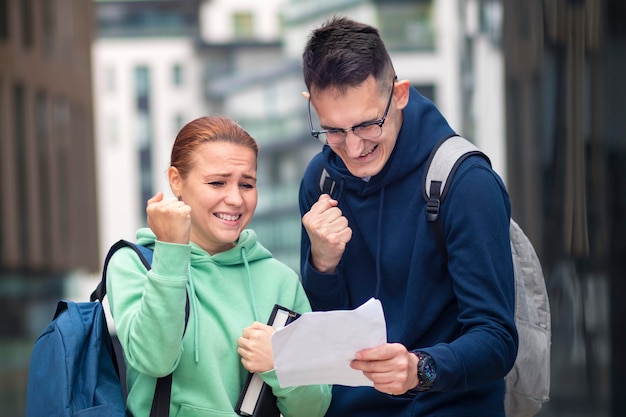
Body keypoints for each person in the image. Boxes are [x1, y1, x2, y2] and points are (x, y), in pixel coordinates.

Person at [298, 16, 518, 417]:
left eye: (367, 125)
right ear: (311, 104)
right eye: (333, 130)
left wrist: (421, 369)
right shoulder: (322, 180)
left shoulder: (466, 182)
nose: (352, 146)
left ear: (399, 94)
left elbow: (497, 339)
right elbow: (327, 333)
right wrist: (322, 266)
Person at [106, 115, 331, 417]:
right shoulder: (135, 264)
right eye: (217, 182)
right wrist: (172, 251)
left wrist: (280, 362)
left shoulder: (280, 281)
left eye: (247, 184)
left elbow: (314, 410)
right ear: (176, 181)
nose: (236, 199)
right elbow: (154, 360)